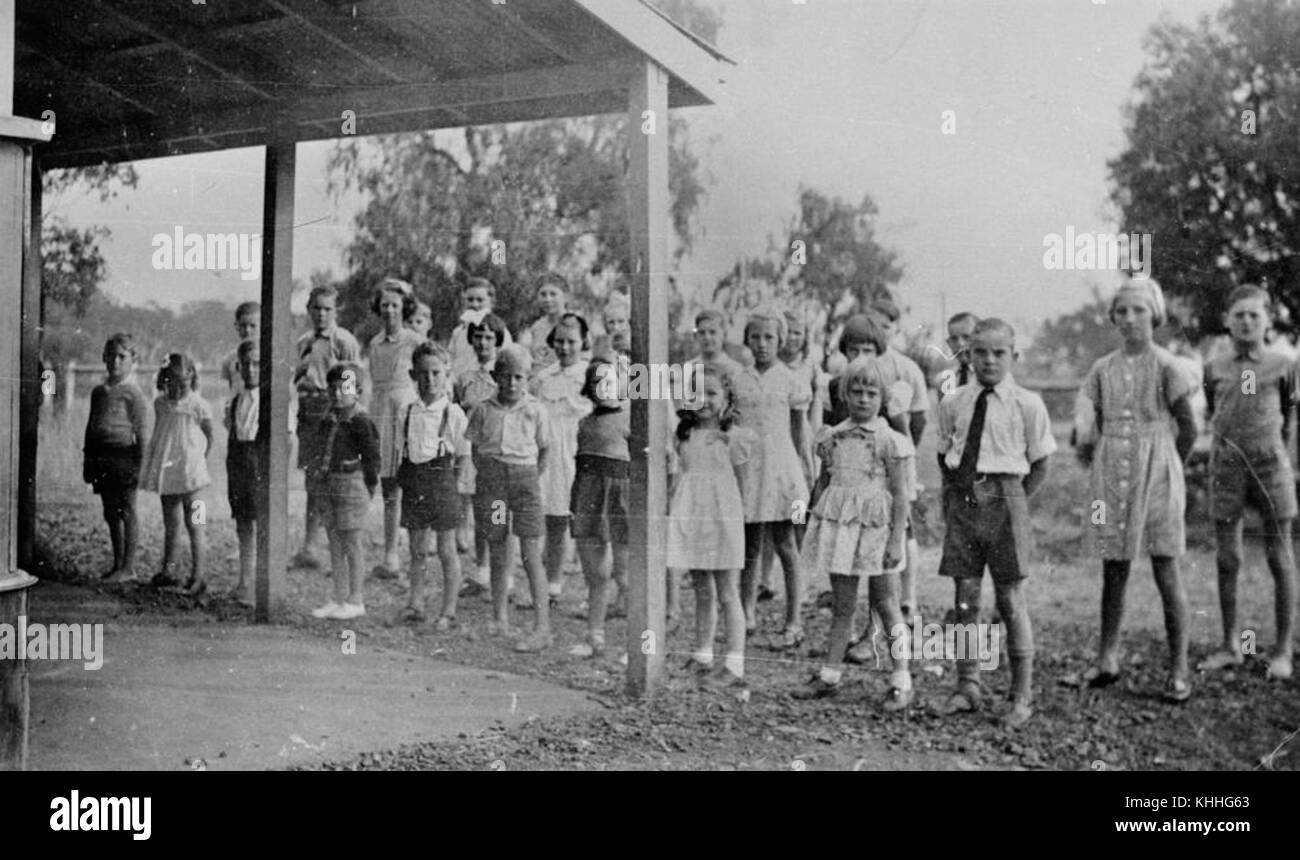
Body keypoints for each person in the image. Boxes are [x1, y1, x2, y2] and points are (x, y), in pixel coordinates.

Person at [1075, 280, 1195, 703]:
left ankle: (1179, 668)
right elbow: (1090, 419)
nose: (1129, 319)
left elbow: (1188, 427)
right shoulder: (1102, 368)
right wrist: (1094, 452)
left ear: (1154, 315)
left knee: (1166, 564)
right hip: (1112, 469)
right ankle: (1107, 657)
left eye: (1138, 310)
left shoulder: (1167, 365)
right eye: (1121, 311)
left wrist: (1166, 462)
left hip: (1158, 467)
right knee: (1113, 565)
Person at [935, 319, 1054, 727]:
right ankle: (967, 684)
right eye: (980, 352)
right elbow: (943, 453)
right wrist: (958, 497)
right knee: (966, 598)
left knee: (1010, 600)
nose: (988, 360)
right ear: (967, 355)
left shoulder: (1028, 404)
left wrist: (1013, 502)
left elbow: (1040, 464)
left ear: (1013, 357)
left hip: (1007, 503)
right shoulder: (954, 402)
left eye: (998, 352)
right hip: (966, 503)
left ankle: (1021, 696)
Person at [795, 357, 914, 708]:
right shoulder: (832, 437)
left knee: (887, 603)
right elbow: (824, 483)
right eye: (857, 392)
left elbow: (901, 494)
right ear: (845, 394)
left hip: (877, 531)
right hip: (844, 529)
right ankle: (829, 675)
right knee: (843, 606)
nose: (863, 399)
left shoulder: (890, 441)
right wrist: (814, 524)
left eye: (871, 393)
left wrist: (895, 539)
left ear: (883, 398)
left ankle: (901, 678)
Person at [1200, 284, 1297, 680]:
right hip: (1227, 466)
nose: (1245, 322)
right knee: (1228, 558)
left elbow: (1289, 418)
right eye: (1238, 315)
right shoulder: (1215, 366)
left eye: (1254, 315)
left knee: (1280, 555)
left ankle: (1283, 649)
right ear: (1227, 320)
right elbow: (1213, 409)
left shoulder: (1283, 365)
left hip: (1271, 465)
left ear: (1268, 321)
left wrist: (1277, 454)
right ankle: (1230, 645)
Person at [666, 367, 753, 689]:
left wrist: (737, 523)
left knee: (728, 593)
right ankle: (703, 655)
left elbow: (741, 487)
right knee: (702, 590)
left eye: (712, 393)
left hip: (723, 518)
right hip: (694, 516)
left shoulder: (734, 438)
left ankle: (734, 664)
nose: (703, 400)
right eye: (696, 393)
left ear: (728, 399)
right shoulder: (683, 436)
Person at [465, 344, 553, 652]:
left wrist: (526, 476)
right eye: (505, 376)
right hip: (495, 486)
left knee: (530, 553)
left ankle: (542, 627)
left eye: (519, 377)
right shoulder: (483, 409)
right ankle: (499, 618)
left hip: (525, 483)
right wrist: (493, 475)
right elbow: (476, 449)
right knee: (499, 549)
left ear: (527, 378)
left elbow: (544, 451)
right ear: (495, 376)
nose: (512, 383)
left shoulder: (535, 409)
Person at [734, 309, 811, 648]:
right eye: (755, 337)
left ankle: (794, 619)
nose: (762, 344)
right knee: (749, 545)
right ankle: (746, 611)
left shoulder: (791, 380)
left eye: (769, 338)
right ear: (746, 340)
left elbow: (799, 431)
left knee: (786, 544)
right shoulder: (739, 379)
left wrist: (806, 469)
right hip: (750, 469)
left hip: (782, 469)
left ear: (781, 341)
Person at [397, 343, 470, 630]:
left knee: (446, 550)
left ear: (446, 374)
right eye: (424, 373)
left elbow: (464, 454)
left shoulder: (453, 414)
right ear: (413, 375)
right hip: (415, 483)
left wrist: (454, 485)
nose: (430, 379)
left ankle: (448, 610)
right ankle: (415, 604)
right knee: (417, 550)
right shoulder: (407, 411)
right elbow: (405, 449)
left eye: (436, 373)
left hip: (442, 485)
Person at [292, 285, 361, 569]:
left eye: (327, 309)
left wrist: (345, 416)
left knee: (335, 481)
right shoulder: (304, 342)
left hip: (332, 410)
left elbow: (352, 382)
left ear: (336, 311)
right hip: (308, 413)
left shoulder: (343, 340)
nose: (321, 314)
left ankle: (340, 551)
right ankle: (310, 546)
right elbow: (298, 375)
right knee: (313, 480)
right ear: (308, 309)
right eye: (316, 308)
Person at [308, 363, 381, 621]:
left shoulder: (361, 421)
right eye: (333, 388)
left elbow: (372, 459)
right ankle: (338, 596)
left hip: (352, 484)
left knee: (351, 543)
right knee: (335, 542)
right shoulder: (328, 419)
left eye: (345, 388)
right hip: (329, 484)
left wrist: (368, 486)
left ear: (357, 391)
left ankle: (356, 598)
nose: (338, 394)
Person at [569, 358, 631, 658]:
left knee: (626, 575)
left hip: (620, 500)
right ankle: (595, 637)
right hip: (589, 497)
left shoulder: (631, 420)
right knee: (596, 574)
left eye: (610, 380)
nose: (604, 387)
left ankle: (638, 647)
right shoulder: (583, 424)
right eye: (597, 382)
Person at [140, 353, 214, 597]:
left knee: (197, 525)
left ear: (192, 378)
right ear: (165, 380)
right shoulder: (160, 404)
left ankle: (199, 576)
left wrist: (199, 460)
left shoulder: (198, 405)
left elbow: (209, 436)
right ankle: (169, 571)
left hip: (194, 477)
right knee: (171, 524)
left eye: (184, 383)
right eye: (174, 382)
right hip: (169, 473)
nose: (180, 388)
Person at [365, 278, 424, 580]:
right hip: (380, 410)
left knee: (411, 483)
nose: (389, 310)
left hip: (405, 410)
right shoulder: (374, 344)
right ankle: (390, 555)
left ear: (405, 308)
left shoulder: (414, 341)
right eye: (385, 305)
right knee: (388, 485)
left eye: (395, 305)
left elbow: (431, 370)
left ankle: (417, 553)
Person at [532, 312, 592, 604]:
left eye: (571, 341)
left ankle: (589, 589)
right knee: (550, 519)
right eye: (559, 341)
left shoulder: (590, 376)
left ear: (583, 343)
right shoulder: (544, 377)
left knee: (578, 522)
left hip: (577, 454)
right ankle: (549, 585)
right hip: (548, 455)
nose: (564, 347)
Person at [83, 333, 150, 583]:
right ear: (104, 357)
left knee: (128, 510)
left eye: (122, 356)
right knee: (110, 511)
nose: (116, 361)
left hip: (125, 457)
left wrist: (140, 467)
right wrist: (87, 461)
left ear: (133, 360)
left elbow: (142, 434)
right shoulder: (98, 392)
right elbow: (91, 427)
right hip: (102, 457)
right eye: (111, 355)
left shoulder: (134, 394)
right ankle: (117, 563)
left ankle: (129, 568)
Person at [454, 312, 508, 593]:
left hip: (499, 452)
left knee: (498, 512)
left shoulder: (505, 375)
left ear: (497, 340)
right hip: (473, 451)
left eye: (489, 337)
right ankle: (482, 570)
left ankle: (502, 572)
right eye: (478, 336)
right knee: (478, 509)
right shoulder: (465, 377)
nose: (483, 342)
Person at [226, 340, 264, 606]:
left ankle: (261, 586)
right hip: (239, 464)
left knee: (261, 523)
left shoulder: (271, 400)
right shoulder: (237, 398)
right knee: (243, 523)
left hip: (259, 466)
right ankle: (245, 580)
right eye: (246, 364)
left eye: (257, 363)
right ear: (239, 366)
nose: (251, 369)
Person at [447, 278, 512, 379]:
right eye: (470, 300)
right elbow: (450, 360)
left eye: (480, 300)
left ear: (492, 302)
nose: (474, 304)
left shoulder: (500, 331)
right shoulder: (458, 332)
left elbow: (506, 363)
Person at [517, 273, 569, 370]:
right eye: (543, 294)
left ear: (565, 296)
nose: (547, 299)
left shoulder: (575, 324)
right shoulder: (536, 327)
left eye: (553, 294)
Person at [219, 302, 259, 395]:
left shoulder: (268, 355)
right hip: (239, 405)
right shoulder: (229, 360)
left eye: (253, 326)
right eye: (243, 326)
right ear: (236, 326)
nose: (248, 330)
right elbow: (226, 393)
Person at [946, 311, 979, 389]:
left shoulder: (992, 376)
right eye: (954, 339)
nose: (960, 344)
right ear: (949, 343)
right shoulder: (947, 378)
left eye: (967, 337)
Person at [601, 291, 632, 356]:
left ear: (628, 322)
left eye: (621, 321)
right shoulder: (602, 349)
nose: (616, 327)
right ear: (605, 325)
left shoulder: (638, 346)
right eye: (611, 322)